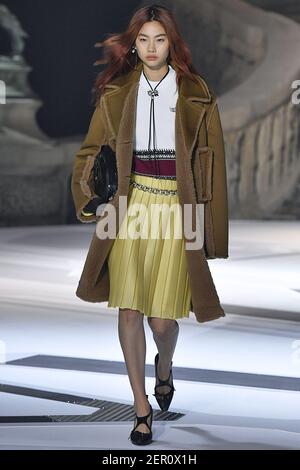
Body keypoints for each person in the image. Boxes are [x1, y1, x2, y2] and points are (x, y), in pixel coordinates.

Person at [71, 3, 228, 446]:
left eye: (160, 39)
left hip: (179, 210)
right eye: (144, 39)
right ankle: (141, 409)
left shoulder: (196, 92)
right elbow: (89, 153)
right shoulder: (117, 92)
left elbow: (212, 167)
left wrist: (207, 229)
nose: (152, 47)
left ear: (171, 43)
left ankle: (165, 363)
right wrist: (92, 202)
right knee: (128, 307)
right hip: (129, 205)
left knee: (162, 321)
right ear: (133, 45)